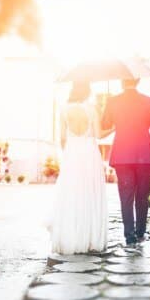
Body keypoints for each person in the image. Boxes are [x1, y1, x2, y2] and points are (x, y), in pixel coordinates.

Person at [49, 81, 111, 254]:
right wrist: (113, 128)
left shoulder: (63, 109)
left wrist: (68, 155)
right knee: (90, 193)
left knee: (71, 195)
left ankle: (71, 238)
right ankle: (90, 239)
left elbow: (62, 138)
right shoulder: (91, 109)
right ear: (87, 93)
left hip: (72, 154)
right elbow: (99, 135)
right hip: (89, 154)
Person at [102, 78, 150, 246]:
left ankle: (129, 236)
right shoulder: (148, 102)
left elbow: (104, 124)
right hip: (145, 155)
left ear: (121, 83)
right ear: (136, 83)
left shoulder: (113, 101)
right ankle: (140, 232)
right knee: (143, 196)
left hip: (122, 156)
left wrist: (107, 105)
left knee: (126, 196)